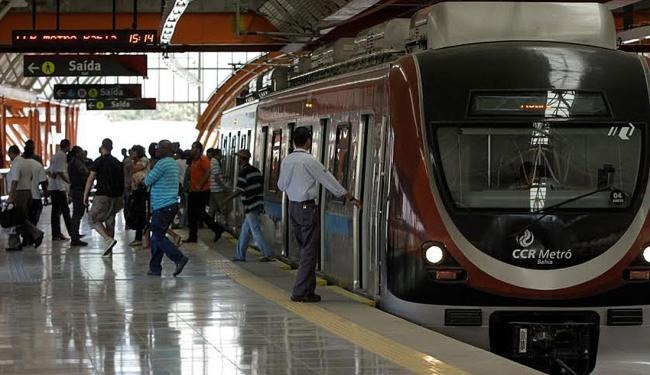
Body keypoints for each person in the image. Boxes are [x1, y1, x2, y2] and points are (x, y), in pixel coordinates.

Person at [278, 127, 361, 303]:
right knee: (309, 252)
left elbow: (281, 186)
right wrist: (349, 196)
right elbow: (328, 180)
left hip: (293, 207)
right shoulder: (309, 161)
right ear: (308, 141)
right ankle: (299, 291)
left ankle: (309, 290)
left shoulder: (286, 161)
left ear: (293, 141)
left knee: (305, 250)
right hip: (307, 209)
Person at [144, 140, 188, 277]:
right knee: (156, 238)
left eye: (159, 147)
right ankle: (155, 267)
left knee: (158, 236)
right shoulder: (172, 163)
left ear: (167, 150)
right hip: (168, 205)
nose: (156, 150)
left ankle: (179, 258)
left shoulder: (162, 163)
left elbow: (147, 181)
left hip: (163, 205)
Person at [222, 149, 274, 262]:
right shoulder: (256, 171)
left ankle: (268, 253)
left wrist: (227, 199)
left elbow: (239, 190)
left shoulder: (243, 172)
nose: (237, 160)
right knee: (245, 230)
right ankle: (240, 255)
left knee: (255, 230)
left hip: (250, 205)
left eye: (238, 158)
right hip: (258, 203)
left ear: (241, 159)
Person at [83, 138, 124, 256]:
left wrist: (85, 195)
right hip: (116, 196)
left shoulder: (98, 161)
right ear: (112, 148)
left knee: (93, 218)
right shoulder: (117, 162)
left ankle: (108, 239)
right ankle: (109, 250)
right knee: (110, 220)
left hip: (102, 195)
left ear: (102, 148)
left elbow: (90, 179)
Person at [6, 145, 44, 251]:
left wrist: (11, 196)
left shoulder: (16, 164)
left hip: (19, 193)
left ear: (11, 152)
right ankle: (15, 243)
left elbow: (15, 181)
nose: (9, 156)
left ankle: (36, 234)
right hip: (27, 191)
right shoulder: (26, 163)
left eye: (9, 154)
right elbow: (31, 177)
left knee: (18, 218)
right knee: (20, 217)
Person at [185, 141, 225, 243]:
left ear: (198, 149)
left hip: (202, 191)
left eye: (193, 147)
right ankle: (192, 236)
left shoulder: (204, 160)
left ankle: (217, 228)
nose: (191, 149)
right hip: (193, 190)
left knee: (199, 213)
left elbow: (208, 172)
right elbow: (191, 172)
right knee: (191, 213)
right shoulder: (193, 160)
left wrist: (200, 184)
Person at [48, 139, 73, 241]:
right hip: (59, 188)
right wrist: (69, 182)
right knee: (65, 211)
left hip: (53, 187)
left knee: (55, 212)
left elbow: (50, 171)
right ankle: (73, 233)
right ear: (67, 146)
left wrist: (53, 176)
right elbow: (60, 172)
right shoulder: (62, 155)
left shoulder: (55, 155)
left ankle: (56, 234)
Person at [127, 145, 149, 247]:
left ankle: (140, 237)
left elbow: (135, 169)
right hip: (136, 189)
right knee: (137, 212)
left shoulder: (143, 160)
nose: (132, 154)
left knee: (140, 213)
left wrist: (132, 161)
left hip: (142, 189)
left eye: (134, 152)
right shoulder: (135, 161)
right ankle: (140, 236)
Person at [67, 146, 89, 246]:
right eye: (81, 152)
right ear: (77, 153)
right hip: (78, 190)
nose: (83, 153)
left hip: (78, 189)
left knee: (77, 214)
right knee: (77, 214)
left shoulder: (76, 162)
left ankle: (75, 236)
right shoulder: (77, 163)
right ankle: (75, 238)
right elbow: (86, 173)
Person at [22, 145, 47, 226]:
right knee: (34, 221)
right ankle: (33, 236)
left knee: (25, 221)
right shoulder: (38, 164)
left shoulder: (19, 165)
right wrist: (46, 196)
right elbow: (43, 182)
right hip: (35, 197)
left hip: (23, 197)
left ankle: (27, 236)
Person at [208, 148, 229, 222]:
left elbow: (215, 175)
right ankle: (226, 222)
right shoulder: (215, 163)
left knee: (212, 208)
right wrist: (224, 187)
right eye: (220, 154)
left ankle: (210, 223)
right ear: (216, 155)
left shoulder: (212, 162)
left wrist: (223, 176)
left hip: (212, 189)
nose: (221, 156)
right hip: (217, 190)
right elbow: (216, 178)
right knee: (224, 206)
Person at [122, 148, 133, 228]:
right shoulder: (129, 161)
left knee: (127, 205)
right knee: (128, 205)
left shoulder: (126, 160)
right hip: (129, 185)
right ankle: (129, 222)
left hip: (127, 185)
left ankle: (128, 223)